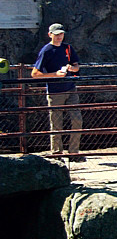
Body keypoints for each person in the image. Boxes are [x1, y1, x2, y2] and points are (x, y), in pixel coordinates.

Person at [31, 23, 84, 160]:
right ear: (50, 35)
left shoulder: (68, 48)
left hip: (71, 88)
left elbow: (76, 64)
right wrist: (55, 74)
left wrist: (73, 69)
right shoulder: (46, 50)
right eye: (56, 34)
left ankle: (74, 152)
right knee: (56, 123)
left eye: (61, 34)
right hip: (55, 91)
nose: (59, 37)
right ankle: (57, 153)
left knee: (77, 119)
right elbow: (35, 73)